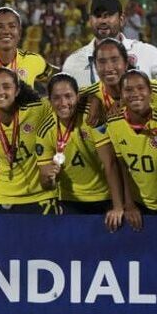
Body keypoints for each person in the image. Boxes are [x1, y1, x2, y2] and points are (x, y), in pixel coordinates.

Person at [36, 73, 127, 227]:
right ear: (49, 100)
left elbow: (110, 163)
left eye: (68, 96)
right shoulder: (45, 130)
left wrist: (118, 206)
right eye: (57, 98)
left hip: (104, 196)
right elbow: (47, 185)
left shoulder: (92, 118)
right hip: (70, 200)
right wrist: (47, 178)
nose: (63, 103)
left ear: (78, 97)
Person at [61, 0, 157, 88]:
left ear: (121, 20)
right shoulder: (74, 61)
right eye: (97, 16)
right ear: (90, 20)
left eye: (108, 16)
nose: (103, 21)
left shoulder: (144, 52)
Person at [105, 70, 157, 216]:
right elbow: (123, 167)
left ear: (150, 92)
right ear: (121, 95)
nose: (135, 93)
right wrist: (129, 204)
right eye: (128, 90)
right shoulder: (114, 123)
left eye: (141, 88)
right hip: (140, 204)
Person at [0, 68, 53, 213]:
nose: (0, 92)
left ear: (17, 91)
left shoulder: (38, 110)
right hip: (4, 196)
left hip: (41, 196)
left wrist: (95, 101)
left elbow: (67, 99)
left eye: (6, 87)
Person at [82, 39, 157, 123]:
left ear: (126, 64)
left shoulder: (153, 89)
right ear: (95, 66)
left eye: (114, 60)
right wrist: (93, 98)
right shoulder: (89, 93)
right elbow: (72, 98)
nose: (108, 68)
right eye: (102, 62)